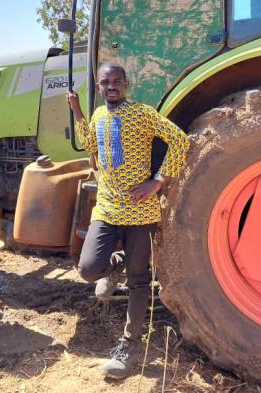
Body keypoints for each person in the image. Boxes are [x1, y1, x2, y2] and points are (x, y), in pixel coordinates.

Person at [67, 63, 190, 379]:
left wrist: (158, 181)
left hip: (141, 211)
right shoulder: (97, 116)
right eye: (105, 82)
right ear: (98, 87)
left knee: (139, 281)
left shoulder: (142, 113)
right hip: (107, 210)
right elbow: (88, 144)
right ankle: (116, 263)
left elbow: (179, 140)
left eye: (117, 81)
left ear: (126, 85)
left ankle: (129, 347)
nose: (111, 86)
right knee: (88, 269)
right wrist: (78, 109)